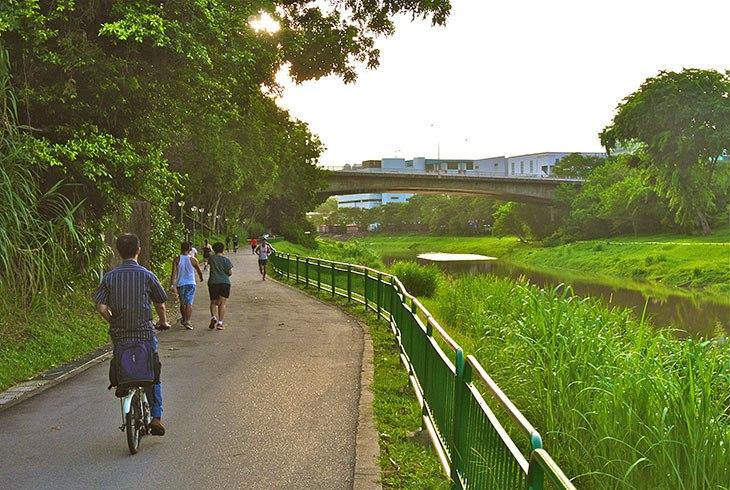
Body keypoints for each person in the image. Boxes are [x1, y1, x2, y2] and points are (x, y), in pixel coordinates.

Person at [94, 233, 170, 436]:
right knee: (153, 374)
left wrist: (113, 320)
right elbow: (160, 303)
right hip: (145, 334)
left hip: (120, 336)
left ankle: (122, 384)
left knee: (122, 362)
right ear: (139, 249)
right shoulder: (147, 275)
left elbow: (101, 308)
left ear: (118, 251)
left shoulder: (109, 277)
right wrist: (162, 322)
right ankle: (156, 417)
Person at [170, 241, 204, 329]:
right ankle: (188, 321)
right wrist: (201, 277)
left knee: (183, 303)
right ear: (190, 249)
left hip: (180, 283)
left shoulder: (177, 259)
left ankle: (184, 319)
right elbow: (199, 271)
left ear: (181, 248)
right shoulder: (193, 260)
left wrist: (172, 285)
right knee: (189, 302)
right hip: (191, 283)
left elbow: (173, 274)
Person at [207, 242, 233, 330]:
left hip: (213, 282)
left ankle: (213, 317)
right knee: (222, 303)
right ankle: (220, 323)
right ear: (223, 249)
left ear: (214, 249)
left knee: (213, 302)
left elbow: (209, 261)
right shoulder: (226, 260)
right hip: (225, 282)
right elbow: (230, 273)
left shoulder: (211, 259)